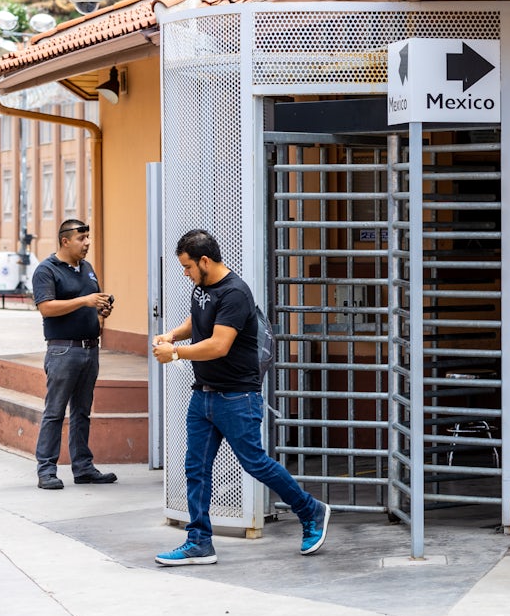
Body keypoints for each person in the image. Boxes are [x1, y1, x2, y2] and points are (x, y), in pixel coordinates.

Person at [151, 229, 329, 565]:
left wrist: (175, 353)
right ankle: (199, 541)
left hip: (237, 397)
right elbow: (200, 319)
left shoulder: (235, 293)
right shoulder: (203, 287)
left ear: (205, 260)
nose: (185, 274)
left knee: (255, 463)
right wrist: (173, 333)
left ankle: (311, 510)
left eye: (188, 267)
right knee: (196, 468)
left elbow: (219, 345)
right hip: (203, 396)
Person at [33, 219, 117, 490]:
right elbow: (46, 308)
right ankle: (46, 470)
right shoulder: (46, 270)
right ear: (65, 240)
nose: (87, 243)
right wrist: (85, 301)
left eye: (88, 238)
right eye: (81, 239)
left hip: (90, 348)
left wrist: (100, 309)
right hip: (63, 350)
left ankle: (83, 468)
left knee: (82, 412)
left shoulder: (87, 269)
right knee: (55, 411)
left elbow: (91, 304)